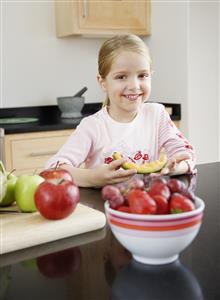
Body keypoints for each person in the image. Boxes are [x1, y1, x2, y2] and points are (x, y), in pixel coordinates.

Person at [45, 34, 196, 187]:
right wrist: (92, 177)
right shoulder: (92, 126)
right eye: (122, 77)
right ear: (103, 82)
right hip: (102, 207)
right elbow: (52, 170)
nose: (134, 85)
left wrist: (175, 166)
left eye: (142, 75)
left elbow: (186, 154)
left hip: (147, 205)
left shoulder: (157, 115)